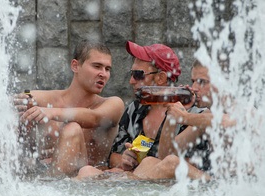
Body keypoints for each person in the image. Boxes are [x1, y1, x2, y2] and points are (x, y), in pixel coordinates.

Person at [76, 41, 210, 181]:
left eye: (138, 74)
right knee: (87, 171)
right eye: (132, 74)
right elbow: (114, 156)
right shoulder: (135, 109)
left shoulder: (194, 114)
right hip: (140, 182)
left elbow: (178, 163)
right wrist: (125, 159)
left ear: (160, 78)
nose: (131, 81)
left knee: (148, 163)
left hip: (179, 188)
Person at [13, 40, 125, 177]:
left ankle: (52, 190)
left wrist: (52, 112)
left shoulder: (114, 104)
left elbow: (94, 118)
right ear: (75, 66)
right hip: (44, 177)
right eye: (97, 66)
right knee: (11, 119)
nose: (103, 74)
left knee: (72, 129)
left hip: (88, 186)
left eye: (107, 69)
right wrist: (21, 112)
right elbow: (4, 107)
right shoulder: (41, 100)